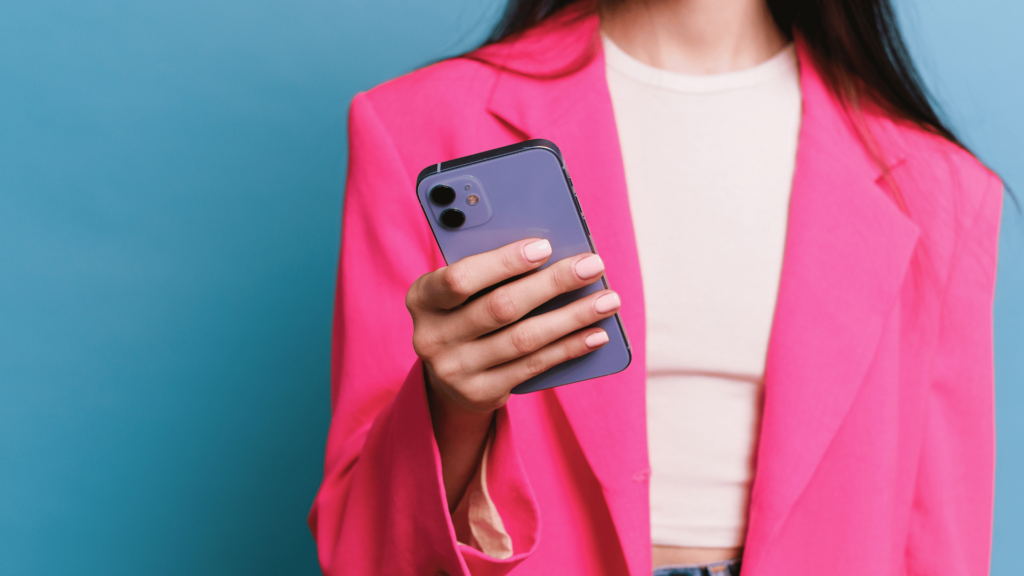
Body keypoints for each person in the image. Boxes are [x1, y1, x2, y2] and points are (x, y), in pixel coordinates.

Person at [309, 0, 1004, 574]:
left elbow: (942, 544)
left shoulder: (942, 191)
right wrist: (451, 406)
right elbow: (361, 550)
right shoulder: (417, 128)